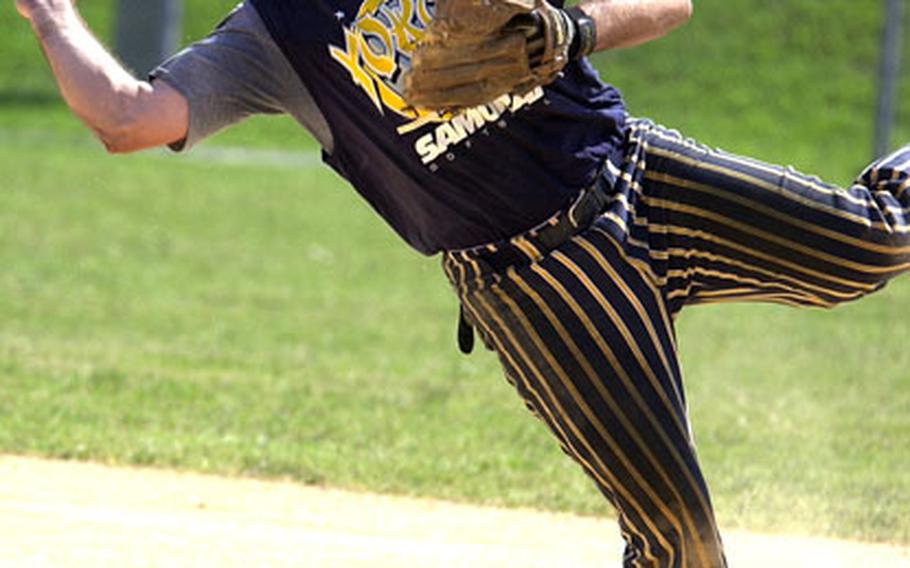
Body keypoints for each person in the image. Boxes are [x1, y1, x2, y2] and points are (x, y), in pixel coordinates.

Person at [14, 0, 910, 565]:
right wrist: (52, 16)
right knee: (680, 545)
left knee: (871, 242)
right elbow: (130, 120)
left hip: (637, 173)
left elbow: (668, 4)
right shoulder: (269, 37)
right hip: (539, 290)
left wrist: (575, 28)